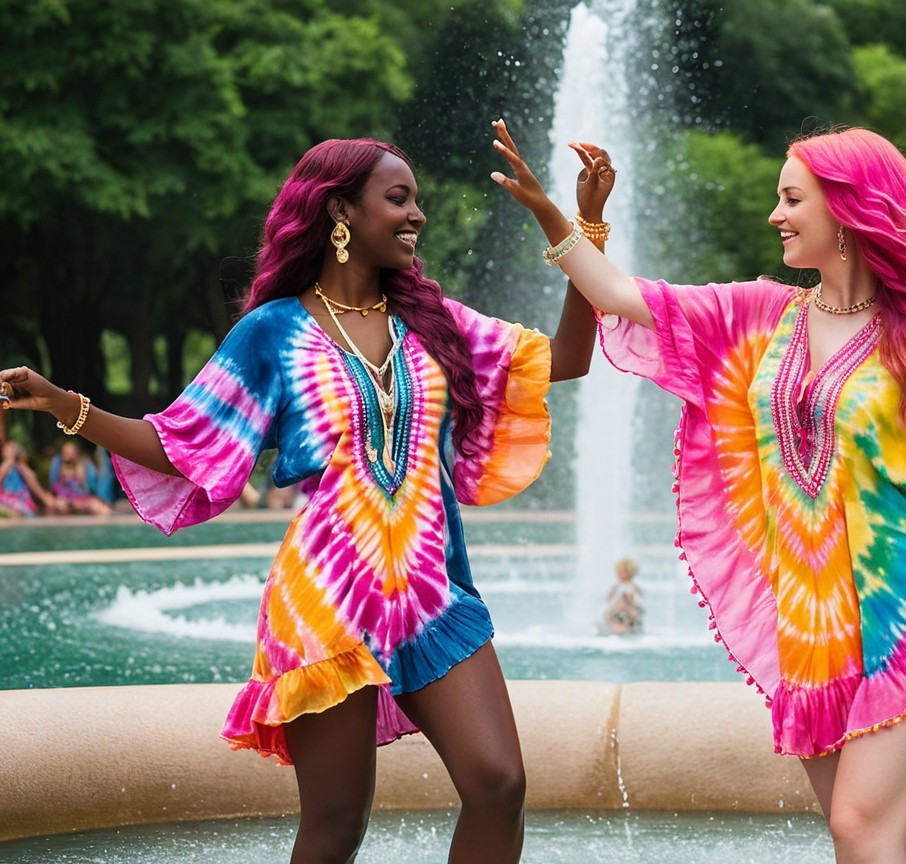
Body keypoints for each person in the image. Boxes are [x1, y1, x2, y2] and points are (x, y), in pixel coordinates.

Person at [490, 119, 906, 864]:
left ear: (846, 208)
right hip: (809, 623)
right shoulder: (762, 314)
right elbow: (617, 293)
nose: (775, 214)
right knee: (885, 833)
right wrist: (564, 214)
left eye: (791, 198)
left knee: (859, 829)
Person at [0, 133, 615, 863]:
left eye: (417, 199)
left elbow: (568, 359)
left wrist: (574, 223)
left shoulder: (431, 322)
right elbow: (180, 442)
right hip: (326, 599)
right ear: (340, 212)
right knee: (336, 825)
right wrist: (65, 405)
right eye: (399, 198)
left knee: (500, 785)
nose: (417, 214)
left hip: (432, 592)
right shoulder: (274, 332)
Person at [49, 440, 112, 516]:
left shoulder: (83, 466)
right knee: (60, 506)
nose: (69, 456)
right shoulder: (58, 466)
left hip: (82, 497)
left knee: (103, 509)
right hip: (65, 498)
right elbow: (53, 486)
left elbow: (90, 487)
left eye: (71, 453)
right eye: (67, 453)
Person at [0, 439, 57, 517]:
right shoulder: (4, 467)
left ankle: (46, 500)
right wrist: (10, 460)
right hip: (6, 500)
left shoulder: (20, 467)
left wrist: (18, 463)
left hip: (20, 500)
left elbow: (32, 477)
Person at [600, 558, 644, 635]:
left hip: (626, 616)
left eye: (621, 571)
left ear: (629, 573)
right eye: (618, 571)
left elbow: (637, 604)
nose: (618, 574)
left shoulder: (632, 588)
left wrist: (627, 608)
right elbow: (609, 600)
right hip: (616, 614)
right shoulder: (616, 587)